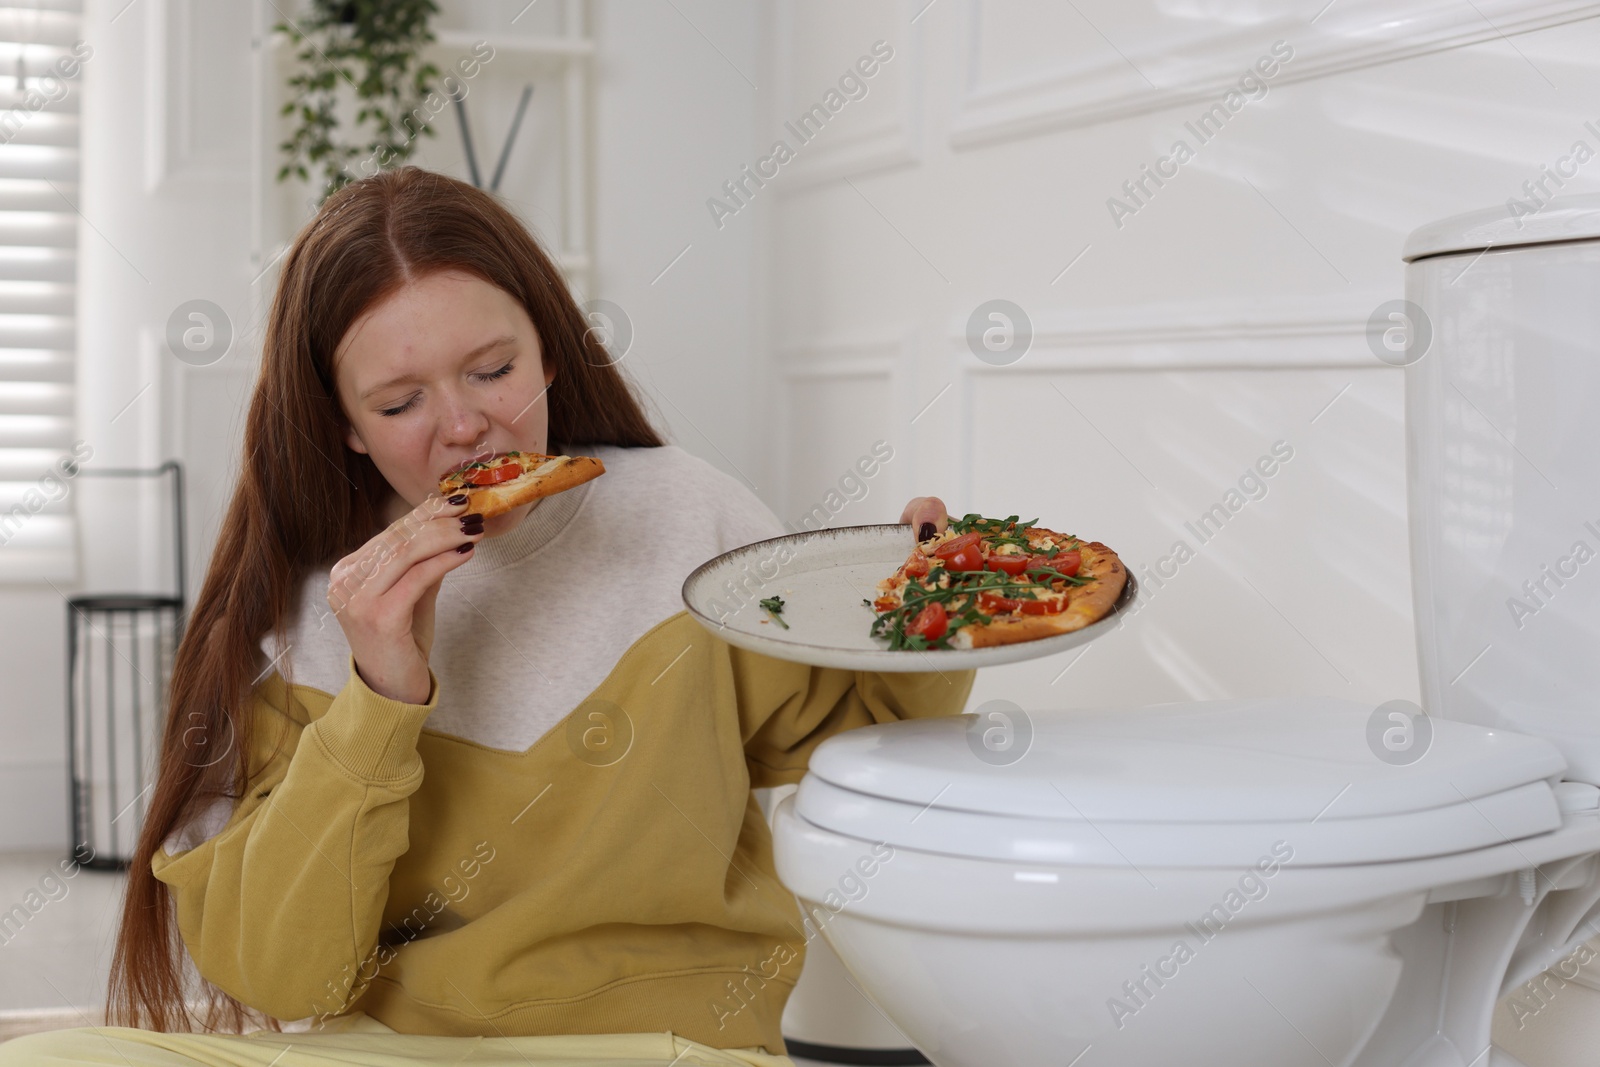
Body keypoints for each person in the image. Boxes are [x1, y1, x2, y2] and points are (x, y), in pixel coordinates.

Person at [0, 167, 974, 1066]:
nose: (463, 426)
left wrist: (920, 616)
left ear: (551, 353)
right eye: (398, 401)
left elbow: (863, 749)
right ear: (344, 423)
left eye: (492, 370)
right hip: (391, 1043)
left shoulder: (689, 514)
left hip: (666, 1039)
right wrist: (380, 691)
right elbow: (278, 976)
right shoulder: (308, 604)